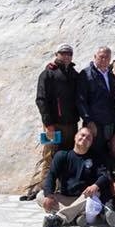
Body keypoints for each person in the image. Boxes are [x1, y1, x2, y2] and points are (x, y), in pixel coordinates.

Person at [38, 127, 115, 227]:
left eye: (88, 138)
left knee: (94, 196)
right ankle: (76, 216)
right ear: (75, 137)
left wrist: (95, 185)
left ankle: (60, 218)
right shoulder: (62, 155)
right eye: (82, 135)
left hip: (84, 198)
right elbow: (51, 175)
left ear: (91, 143)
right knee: (40, 195)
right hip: (66, 198)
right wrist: (49, 195)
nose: (84, 138)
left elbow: (104, 176)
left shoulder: (96, 158)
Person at [29, 44, 79, 198]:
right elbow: (41, 100)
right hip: (54, 124)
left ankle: (63, 187)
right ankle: (45, 188)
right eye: (63, 53)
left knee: (69, 155)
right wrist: (48, 123)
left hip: (71, 124)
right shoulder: (48, 73)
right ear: (56, 54)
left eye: (69, 53)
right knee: (50, 156)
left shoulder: (73, 73)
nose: (66, 56)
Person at [77, 46, 115, 158]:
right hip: (94, 122)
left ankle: (106, 174)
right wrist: (89, 121)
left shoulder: (111, 76)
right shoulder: (86, 74)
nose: (104, 60)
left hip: (109, 121)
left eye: (107, 57)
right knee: (95, 151)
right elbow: (81, 100)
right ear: (95, 57)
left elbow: (114, 97)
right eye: (101, 57)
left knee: (107, 151)